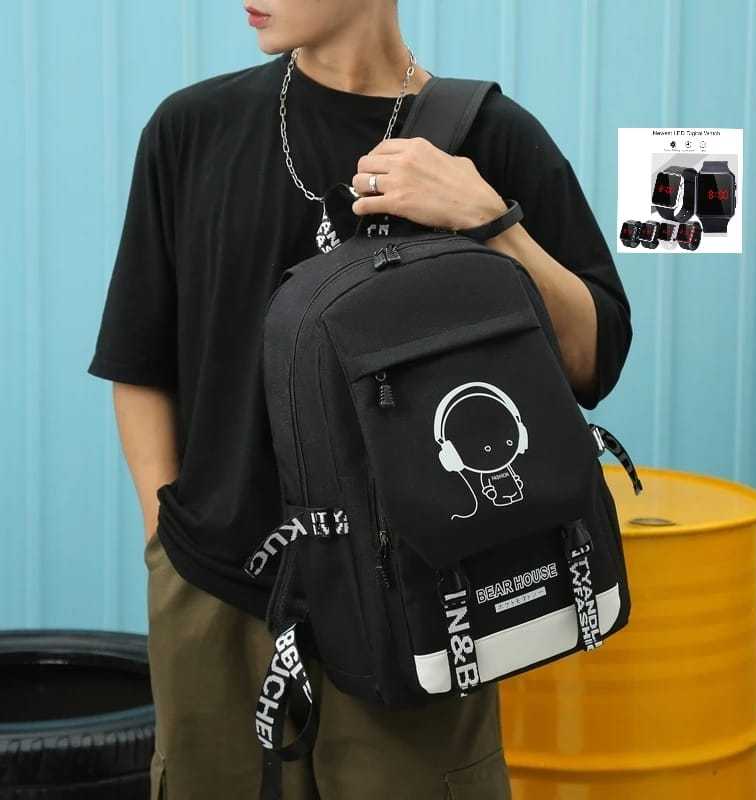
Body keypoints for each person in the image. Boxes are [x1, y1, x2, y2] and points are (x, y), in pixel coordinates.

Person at [87, 1, 632, 797]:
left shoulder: (491, 136)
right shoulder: (192, 129)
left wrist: (490, 221)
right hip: (214, 592)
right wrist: (165, 548)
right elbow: (140, 361)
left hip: (419, 596)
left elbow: (593, 359)